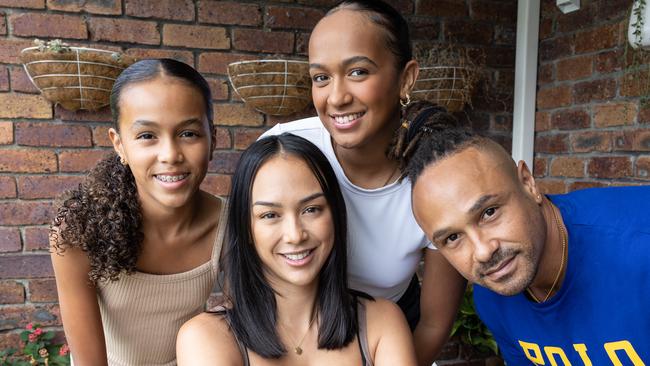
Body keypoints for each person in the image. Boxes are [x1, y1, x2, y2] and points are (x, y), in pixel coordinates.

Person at [261, 1, 466, 363]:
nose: (336, 98)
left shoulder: (437, 179)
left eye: (357, 72)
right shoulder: (285, 153)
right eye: (321, 77)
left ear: (406, 78)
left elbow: (434, 323)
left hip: (390, 340)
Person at [405, 122, 650, 365]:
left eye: (489, 212)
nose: (482, 251)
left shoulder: (639, 249)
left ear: (528, 183)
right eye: (453, 238)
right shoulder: (493, 297)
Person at [176, 133, 416, 365]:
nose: (295, 235)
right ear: (246, 227)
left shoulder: (382, 322)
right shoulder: (206, 338)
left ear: (335, 214)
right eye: (270, 215)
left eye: (311, 209)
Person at [50, 59, 227, 365]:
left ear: (213, 138)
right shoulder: (77, 230)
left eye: (188, 134)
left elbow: (250, 327)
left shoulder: (231, 223)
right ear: (119, 144)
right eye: (147, 136)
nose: (170, 155)